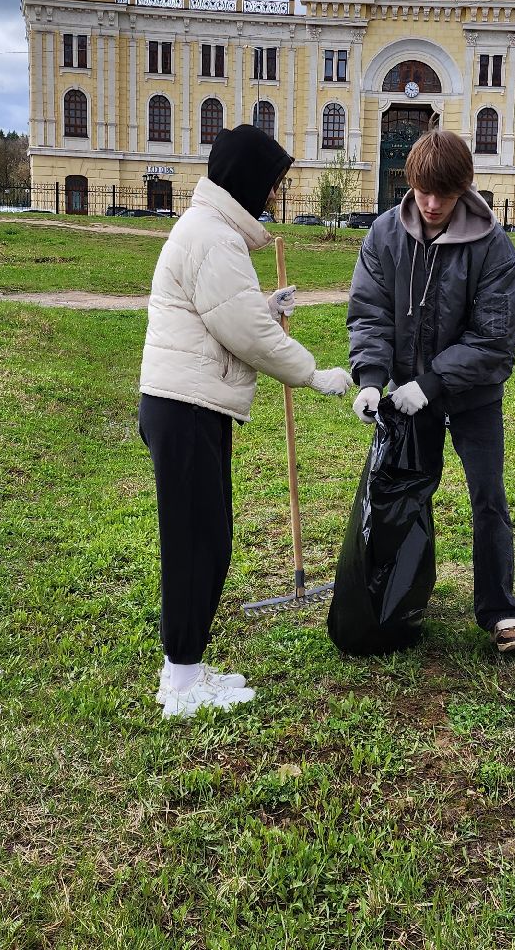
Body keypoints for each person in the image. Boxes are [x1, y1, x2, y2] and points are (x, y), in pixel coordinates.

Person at [139, 124, 354, 718]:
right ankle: (182, 685)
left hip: (190, 404)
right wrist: (313, 374)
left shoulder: (210, 230)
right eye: (271, 184)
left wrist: (262, 305)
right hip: (185, 408)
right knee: (195, 545)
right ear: (247, 180)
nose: (273, 196)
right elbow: (248, 337)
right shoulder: (213, 237)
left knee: (209, 539)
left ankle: (187, 668)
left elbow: (225, 315)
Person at [346, 129, 515, 652]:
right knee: (404, 495)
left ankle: (500, 611)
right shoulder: (383, 236)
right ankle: (399, 603)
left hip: (472, 397)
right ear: (411, 184)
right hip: (404, 397)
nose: (431, 204)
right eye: (423, 192)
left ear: (464, 190)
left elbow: (495, 338)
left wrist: (431, 383)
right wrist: (371, 380)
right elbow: (370, 313)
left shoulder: (493, 247)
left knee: (488, 498)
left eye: (443, 195)